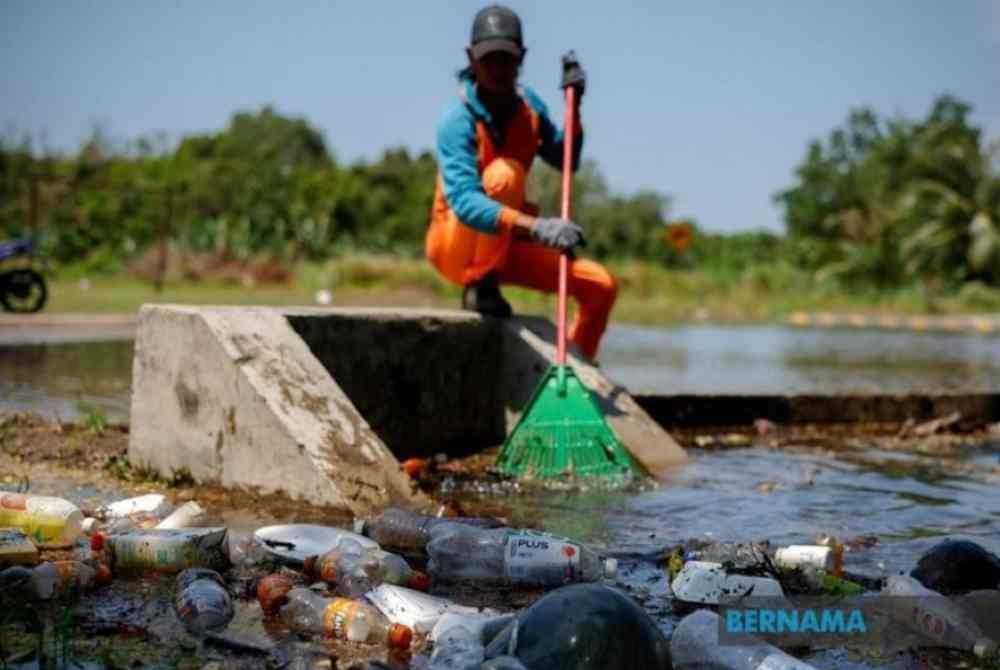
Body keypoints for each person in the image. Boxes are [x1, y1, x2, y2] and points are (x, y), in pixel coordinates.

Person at [425, 5, 618, 360]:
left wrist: (573, 108)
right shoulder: (457, 120)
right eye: (489, 59)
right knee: (504, 175)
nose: (498, 69)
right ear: (472, 58)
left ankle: (578, 367)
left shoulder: (529, 108)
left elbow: (567, 159)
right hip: (457, 246)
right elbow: (466, 203)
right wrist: (538, 228)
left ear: (522, 59)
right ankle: (479, 286)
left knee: (600, 286)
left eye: (507, 59)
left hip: (506, 244)